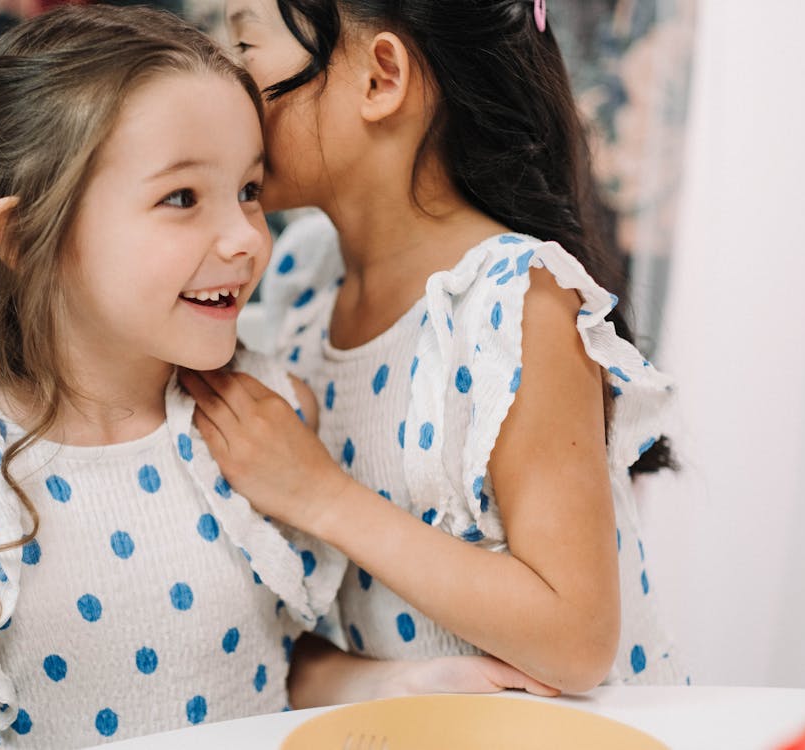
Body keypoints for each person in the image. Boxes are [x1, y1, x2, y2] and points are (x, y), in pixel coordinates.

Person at [0, 6, 354, 747]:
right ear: (25, 237)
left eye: (248, 190)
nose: (243, 238)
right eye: (181, 198)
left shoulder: (263, 419)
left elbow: (276, 667)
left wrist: (407, 681)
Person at [181, 0, 686, 705]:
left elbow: (576, 640)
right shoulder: (305, 284)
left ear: (379, 78)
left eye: (244, 44)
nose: (225, 81)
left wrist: (317, 494)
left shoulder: (512, 302)